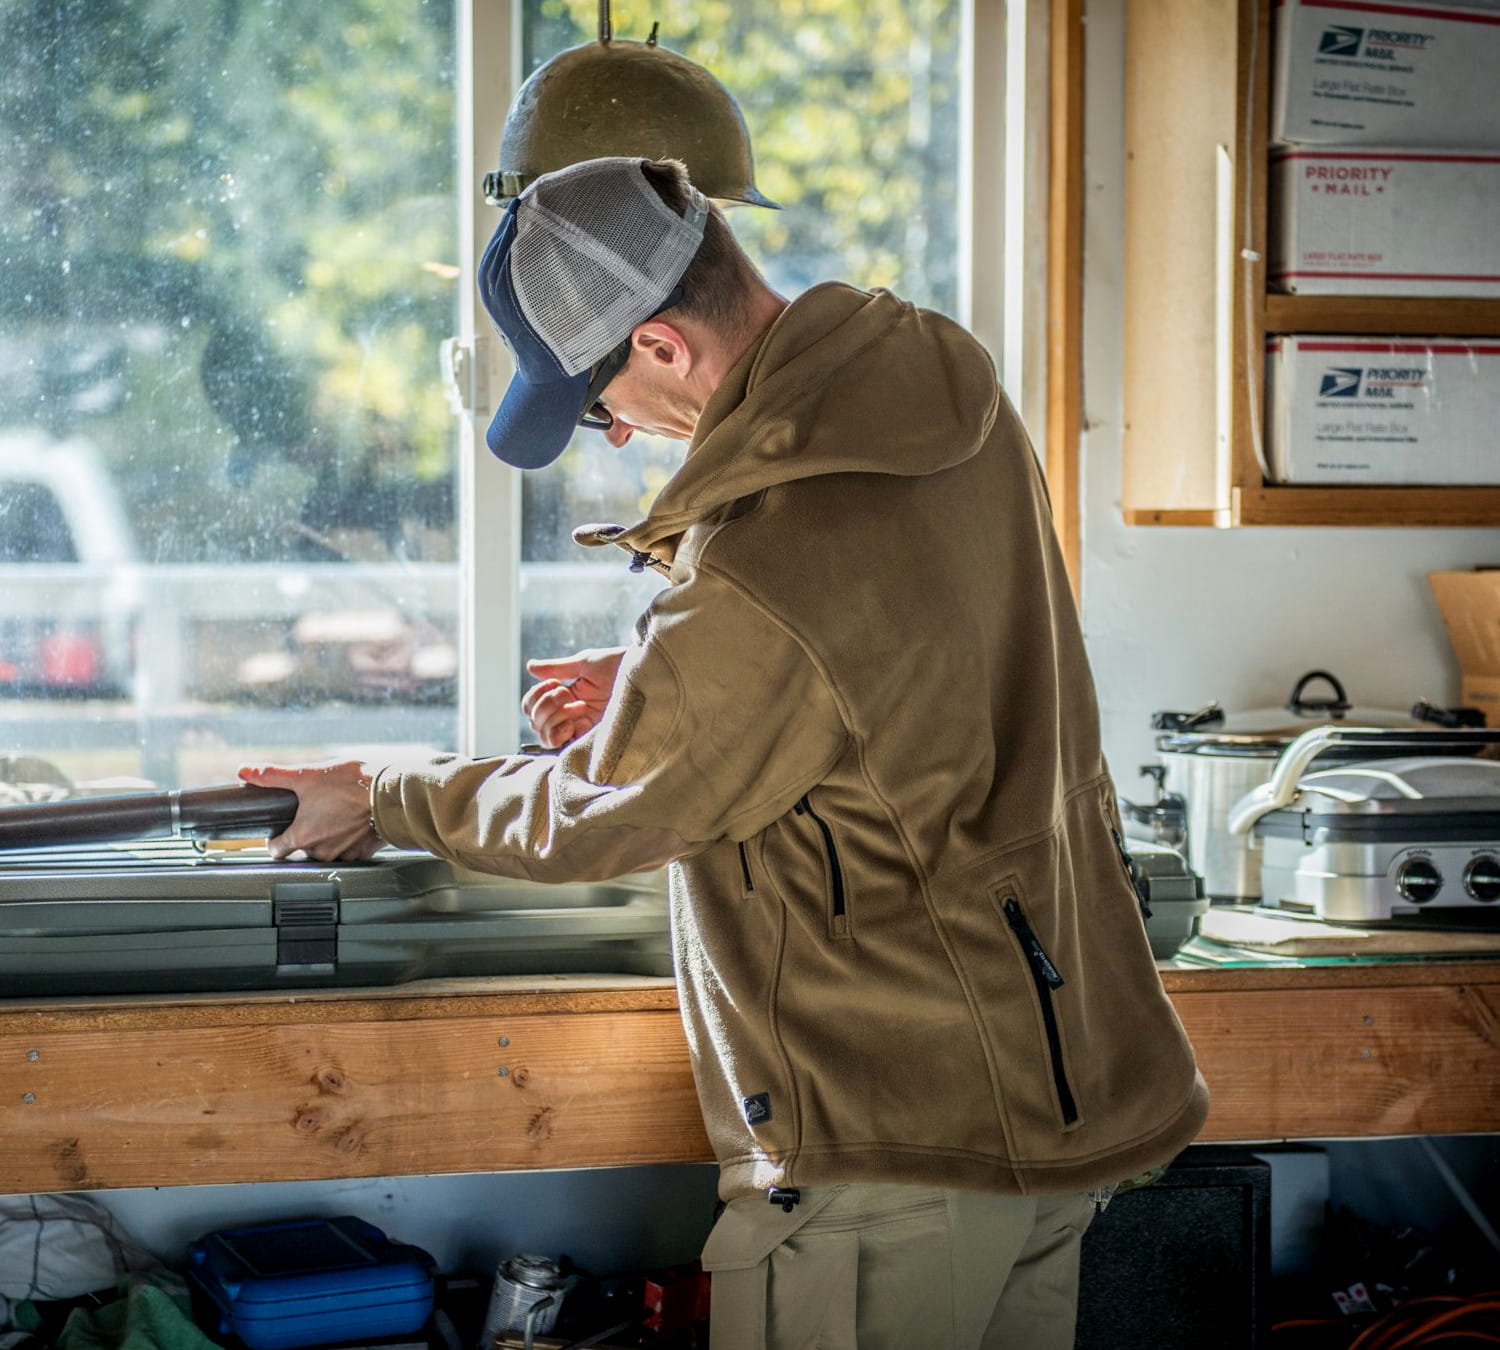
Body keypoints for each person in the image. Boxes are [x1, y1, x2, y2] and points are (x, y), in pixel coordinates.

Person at [240, 155, 1208, 1349]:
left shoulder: (768, 556)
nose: (612, 435)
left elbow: (600, 814)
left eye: (596, 403)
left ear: (660, 344)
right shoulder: (939, 390)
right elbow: (898, 656)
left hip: (892, 1144)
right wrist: (662, 679)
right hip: (1051, 1095)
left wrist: (382, 794)